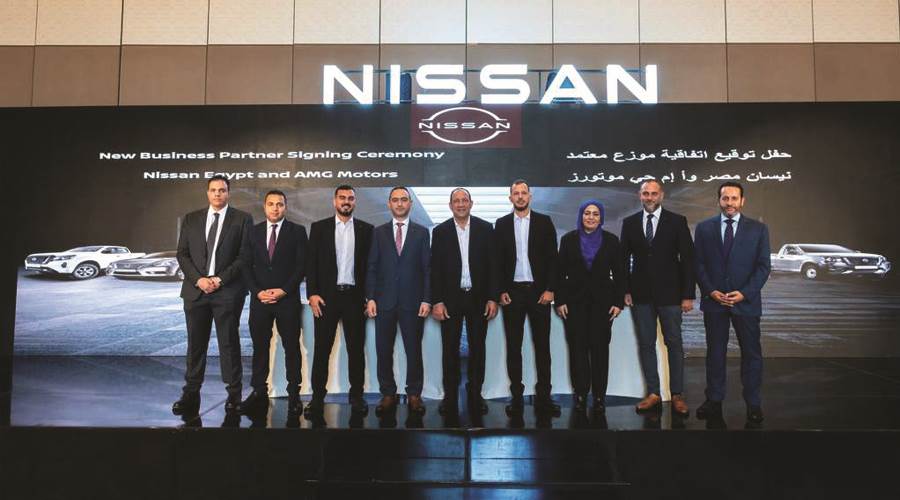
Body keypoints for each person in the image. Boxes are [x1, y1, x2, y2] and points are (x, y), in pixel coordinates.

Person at [172, 175, 253, 415]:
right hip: (195, 291)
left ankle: (234, 395)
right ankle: (191, 394)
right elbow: (182, 254)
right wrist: (199, 280)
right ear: (207, 193)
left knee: (229, 344)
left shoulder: (242, 219)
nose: (218, 194)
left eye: (222, 190)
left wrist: (219, 279)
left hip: (227, 291)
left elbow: (245, 256)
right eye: (214, 190)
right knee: (195, 345)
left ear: (228, 193)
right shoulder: (191, 218)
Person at [694, 181, 771, 424]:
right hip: (714, 302)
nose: (729, 203)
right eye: (725, 198)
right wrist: (711, 291)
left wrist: (744, 293)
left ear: (742, 201)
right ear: (719, 200)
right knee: (715, 353)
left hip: (745, 303)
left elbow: (763, 267)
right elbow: (698, 264)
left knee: (751, 354)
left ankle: (753, 403)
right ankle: (714, 400)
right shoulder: (704, 228)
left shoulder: (758, 229)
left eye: (734, 198)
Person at [620, 180, 695, 416]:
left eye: (654, 193)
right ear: (639, 195)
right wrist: (625, 290)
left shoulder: (677, 221)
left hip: (672, 295)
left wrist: (688, 294)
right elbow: (623, 260)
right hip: (641, 295)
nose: (650, 197)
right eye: (646, 193)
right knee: (646, 344)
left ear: (661, 195)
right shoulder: (630, 223)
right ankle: (653, 393)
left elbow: (688, 260)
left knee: (674, 343)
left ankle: (677, 395)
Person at [305, 185, 374, 416]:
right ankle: (317, 398)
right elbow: (311, 263)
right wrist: (312, 294)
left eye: (350, 198)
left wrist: (370, 296)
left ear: (355, 202)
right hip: (326, 298)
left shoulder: (366, 230)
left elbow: (371, 267)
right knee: (321, 349)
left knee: (356, 350)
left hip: (355, 297)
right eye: (342, 198)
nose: (346, 201)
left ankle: (357, 397)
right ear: (334, 201)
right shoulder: (319, 228)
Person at [430, 188, 499, 416]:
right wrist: (437, 301)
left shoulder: (485, 228)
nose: (460, 204)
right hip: (450, 299)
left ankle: (475, 394)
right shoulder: (440, 231)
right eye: (456, 201)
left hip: (478, 298)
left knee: (478, 349)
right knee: (449, 349)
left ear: (471, 203)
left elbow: (493, 266)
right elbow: (435, 269)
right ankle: (449, 395)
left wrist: (492, 297)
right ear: (450, 205)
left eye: (464, 200)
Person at [239, 190, 308, 416]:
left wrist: (284, 290)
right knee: (260, 347)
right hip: (260, 301)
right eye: (271, 204)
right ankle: (259, 391)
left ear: (285, 207)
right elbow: (245, 265)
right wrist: (257, 292)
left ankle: (294, 393)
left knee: (291, 347)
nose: (275, 208)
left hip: (287, 300)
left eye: (279, 204)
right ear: (265, 206)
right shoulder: (253, 232)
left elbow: (301, 266)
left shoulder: (297, 231)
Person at [495, 180, 560, 416]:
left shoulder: (544, 222)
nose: (520, 197)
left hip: (539, 293)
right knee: (514, 347)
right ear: (510, 198)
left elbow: (553, 259)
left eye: (524, 193)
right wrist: (500, 290)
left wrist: (551, 289)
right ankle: (516, 397)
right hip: (512, 294)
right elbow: (497, 261)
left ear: (530, 196)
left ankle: (544, 397)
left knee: (542, 347)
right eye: (516, 193)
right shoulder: (501, 224)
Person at [555, 200, 625, 415]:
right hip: (574, 304)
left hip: (602, 305)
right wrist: (560, 300)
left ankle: (599, 396)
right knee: (577, 350)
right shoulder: (568, 240)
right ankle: (580, 395)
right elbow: (559, 273)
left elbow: (620, 273)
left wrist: (618, 302)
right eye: (587, 213)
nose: (591, 217)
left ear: (601, 217)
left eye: (595, 214)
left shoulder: (611, 241)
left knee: (600, 351)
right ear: (581, 216)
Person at [366, 187, 431, 415]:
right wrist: (370, 297)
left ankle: (414, 394)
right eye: (395, 200)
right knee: (383, 350)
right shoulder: (378, 232)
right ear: (389, 204)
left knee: (414, 350)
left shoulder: (421, 232)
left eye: (404, 200)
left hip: (413, 302)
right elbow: (372, 267)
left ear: (410, 204)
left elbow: (427, 268)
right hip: (384, 301)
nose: (400, 203)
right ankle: (388, 393)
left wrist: (427, 299)